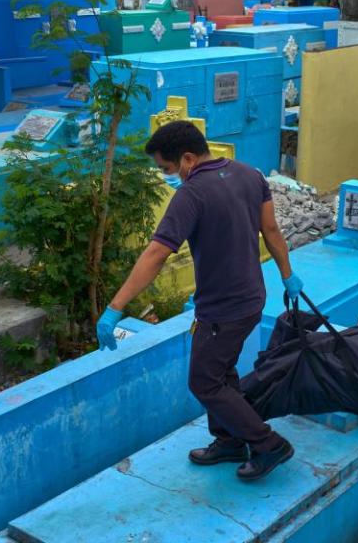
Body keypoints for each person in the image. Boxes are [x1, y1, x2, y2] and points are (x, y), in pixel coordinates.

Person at [97, 120, 303, 481]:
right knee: (221, 372)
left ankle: (269, 444)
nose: (166, 176)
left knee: (204, 382)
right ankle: (230, 440)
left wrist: (115, 308)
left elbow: (156, 254)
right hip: (252, 297)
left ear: (188, 159)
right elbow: (270, 231)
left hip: (224, 308)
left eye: (166, 168)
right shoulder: (250, 175)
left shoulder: (191, 195)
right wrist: (287, 275)